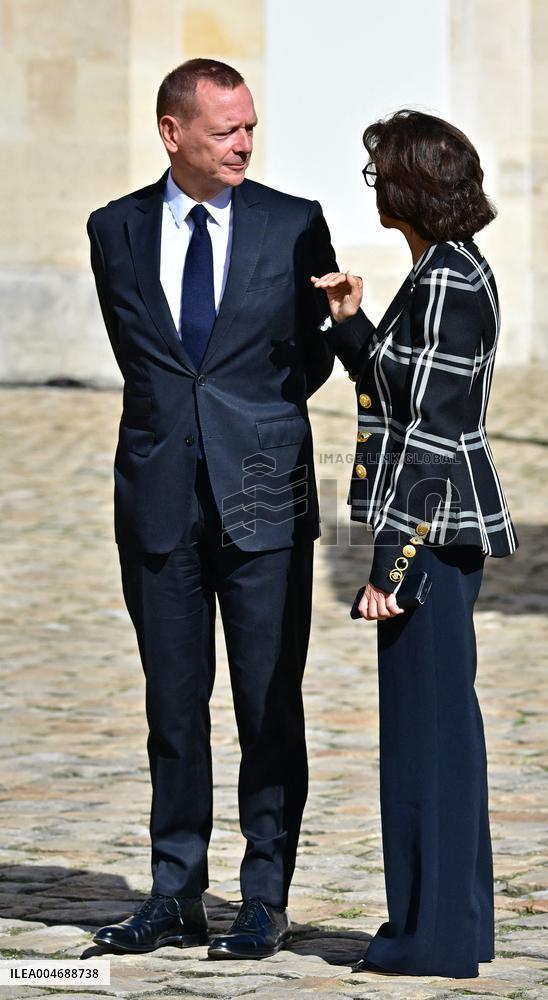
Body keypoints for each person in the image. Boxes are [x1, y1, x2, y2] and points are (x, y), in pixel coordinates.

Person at [87, 59, 337, 959]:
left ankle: (265, 895)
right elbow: (143, 358)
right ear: (172, 132)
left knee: (271, 703)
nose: (244, 143)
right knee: (173, 705)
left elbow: (309, 358)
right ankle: (173, 890)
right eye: (226, 129)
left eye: (250, 128)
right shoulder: (112, 230)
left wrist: (252, 423)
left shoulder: (294, 222)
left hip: (263, 496)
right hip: (157, 500)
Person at [312, 110, 518, 978]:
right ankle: (452, 926)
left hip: (428, 539)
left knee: (428, 742)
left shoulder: (446, 282)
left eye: (379, 177)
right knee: (440, 733)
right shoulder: (446, 269)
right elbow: (403, 390)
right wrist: (356, 326)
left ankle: (431, 939)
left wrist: (388, 568)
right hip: (437, 532)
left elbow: (430, 439)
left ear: (405, 192)